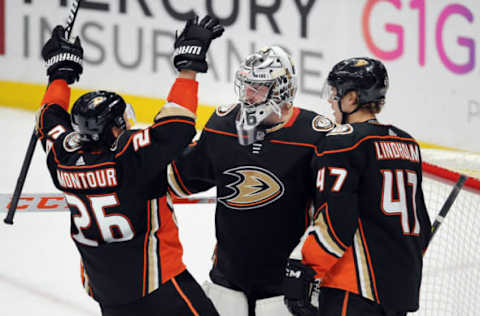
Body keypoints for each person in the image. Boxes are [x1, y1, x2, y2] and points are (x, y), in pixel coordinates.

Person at [36, 16, 224, 316]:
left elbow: (48, 120)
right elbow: (177, 127)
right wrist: (188, 67)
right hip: (159, 287)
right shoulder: (130, 158)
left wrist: (60, 74)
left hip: (107, 294)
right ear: (113, 130)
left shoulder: (63, 158)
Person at [167, 46, 335, 316]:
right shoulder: (222, 125)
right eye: (246, 85)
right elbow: (178, 179)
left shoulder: (316, 137)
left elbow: (335, 215)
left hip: (286, 286)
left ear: (281, 89)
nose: (247, 95)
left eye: (257, 87)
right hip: (228, 279)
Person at [283, 57, 432, 316]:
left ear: (352, 98)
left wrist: (305, 268)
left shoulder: (344, 142)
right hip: (400, 288)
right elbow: (422, 225)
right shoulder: (408, 144)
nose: (330, 100)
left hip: (353, 288)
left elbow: (335, 222)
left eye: (335, 93)